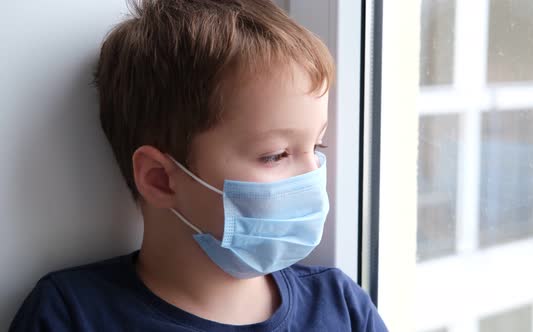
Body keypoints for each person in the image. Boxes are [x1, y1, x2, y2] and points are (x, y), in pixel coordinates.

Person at [9, 0, 388, 331]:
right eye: (275, 155)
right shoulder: (71, 315)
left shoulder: (342, 306)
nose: (313, 176)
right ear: (160, 179)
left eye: (316, 145)